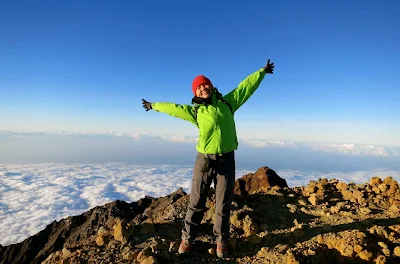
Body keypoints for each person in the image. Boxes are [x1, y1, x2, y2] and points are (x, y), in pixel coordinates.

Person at [141, 60, 274, 258]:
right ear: (195, 93)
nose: (203, 88)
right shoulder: (195, 111)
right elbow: (173, 108)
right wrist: (154, 105)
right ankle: (187, 238)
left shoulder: (229, 102)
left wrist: (261, 72)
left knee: (222, 204)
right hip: (205, 160)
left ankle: (221, 240)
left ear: (211, 86)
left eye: (205, 84)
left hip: (226, 159)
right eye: (199, 87)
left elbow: (245, 87)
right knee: (197, 201)